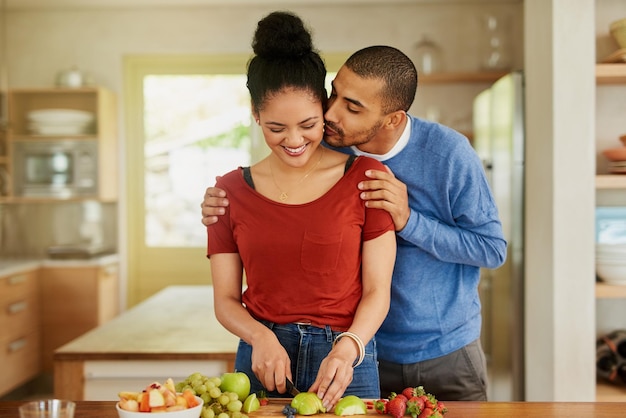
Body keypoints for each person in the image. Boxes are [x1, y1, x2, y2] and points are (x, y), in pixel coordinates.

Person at [202, 43, 507, 402]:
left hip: (442, 349)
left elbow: (492, 249)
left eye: (352, 107)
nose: (331, 112)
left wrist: (408, 220)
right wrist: (225, 199)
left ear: (392, 118)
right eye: (334, 94)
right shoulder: (328, 146)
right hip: (362, 347)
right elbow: (282, 166)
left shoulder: (449, 154)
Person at [206, 11, 396, 410]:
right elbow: (225, 299)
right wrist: (259, 336)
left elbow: (378, 290)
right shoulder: (228, 192)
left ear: (325, 108)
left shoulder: (366, 178)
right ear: (255, 115)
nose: (294, 141)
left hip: (347, 356)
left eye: (308, 124)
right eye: (276, 128)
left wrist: (350, 347)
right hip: (263, 358)